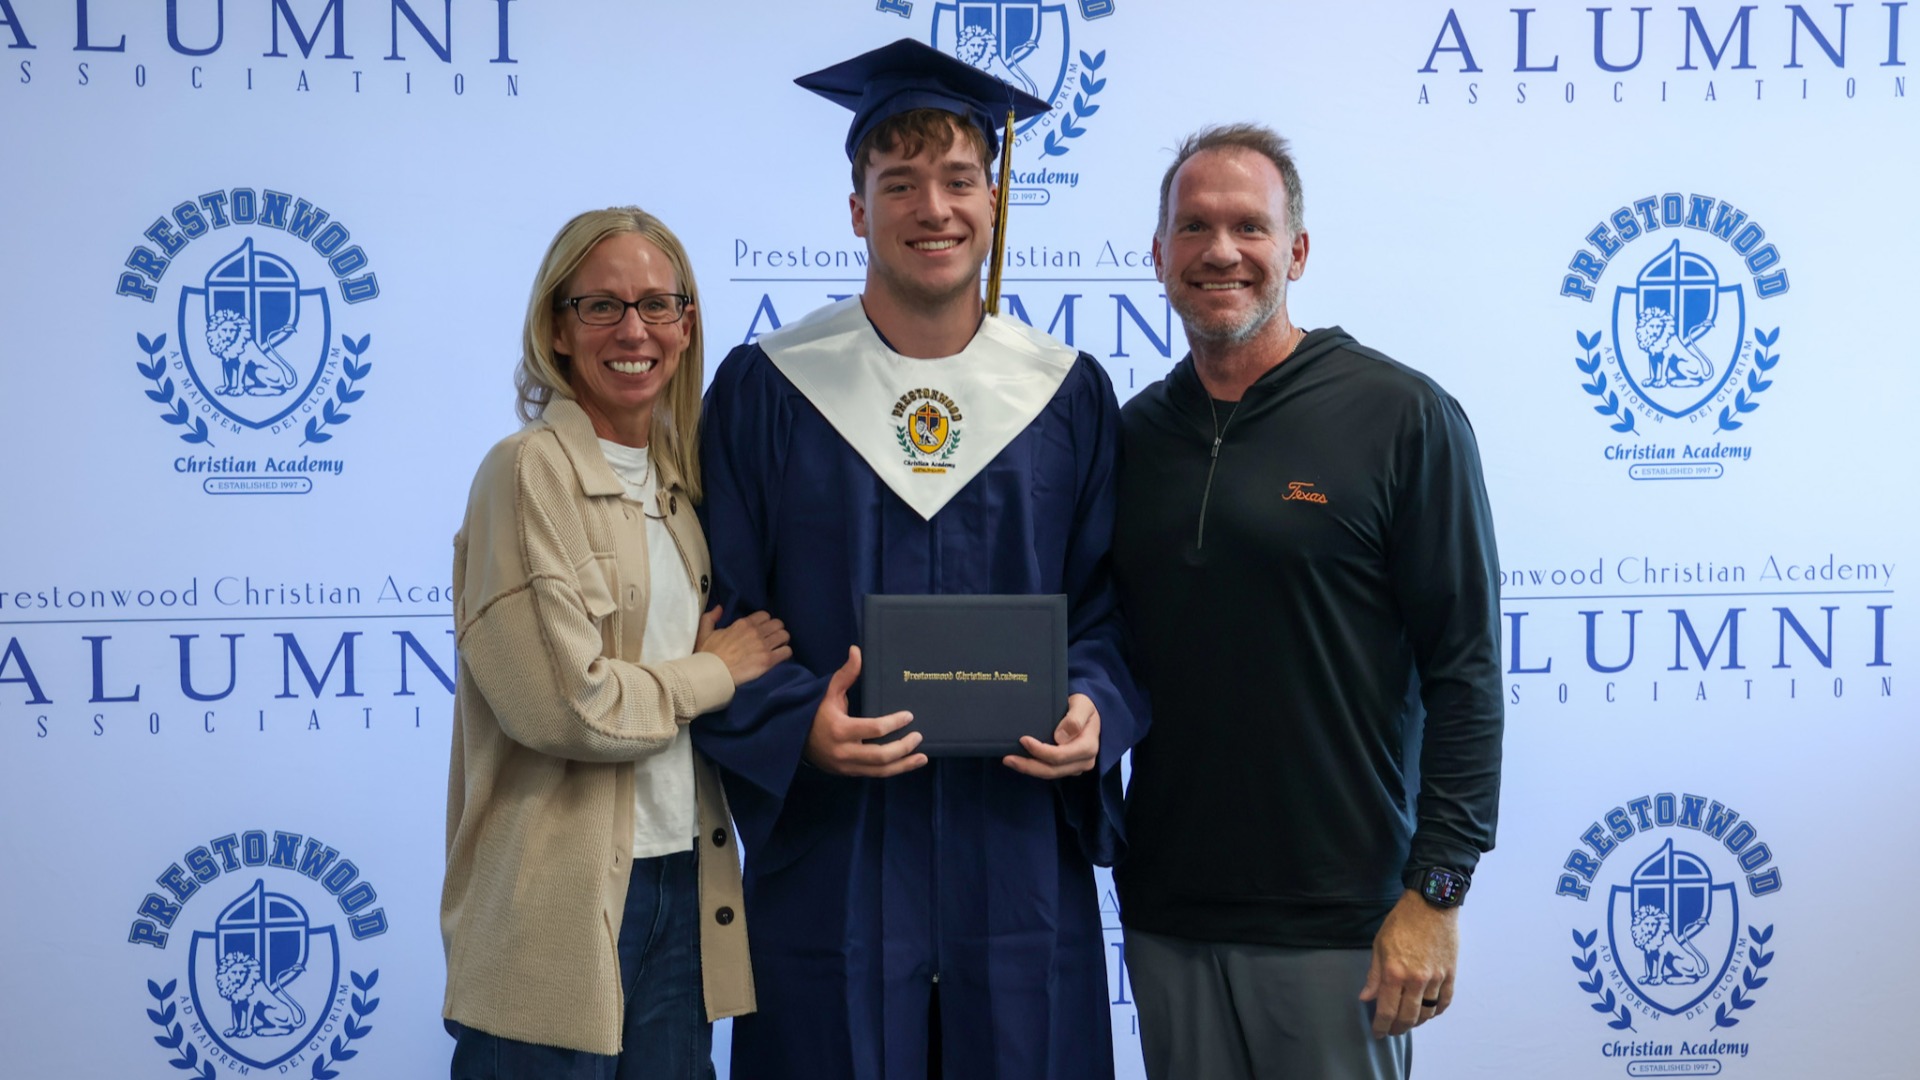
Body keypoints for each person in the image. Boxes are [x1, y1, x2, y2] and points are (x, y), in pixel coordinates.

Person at [693, 39, 1148, 1080]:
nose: (931, 208)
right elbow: (720, 609)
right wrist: (793, 723)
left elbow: (1110, 612)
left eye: (957, 180)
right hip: (837, 846)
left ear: (993, 203)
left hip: (1015, 836)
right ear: (857, 209)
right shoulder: (770, 390)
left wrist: (1093, 710)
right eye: (898, 184)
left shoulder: (1066, 395)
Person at [1112, 124, 1505, 1079]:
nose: (1220, 251)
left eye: (1250, 226)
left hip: (1347, 925)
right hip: (1169, 918)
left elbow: (1467, 672)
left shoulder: (1401, 417)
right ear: (1157, 254)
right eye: (1193, 226)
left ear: (1296, 250)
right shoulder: (1129, 438)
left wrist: (1437, 895)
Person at [440, 207, 791, 1079]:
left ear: (686, 325)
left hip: (685, 886)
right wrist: (714, 672)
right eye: (601, 307)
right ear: (557, 329)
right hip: (555, 912)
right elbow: (565, 706)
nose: (634, 330)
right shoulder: (528, 473)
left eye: (657, 305)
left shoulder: (682, 489)